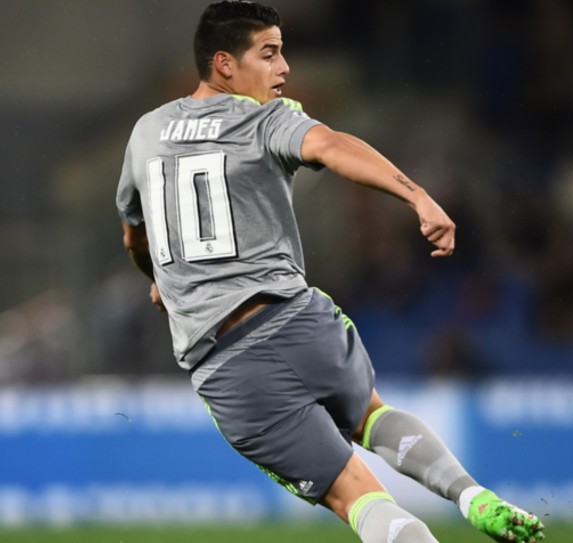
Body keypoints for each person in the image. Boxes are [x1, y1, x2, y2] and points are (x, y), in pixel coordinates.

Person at [115, 3, 545, 543]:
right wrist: (417, 196)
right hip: (298, 321)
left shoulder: (146, 133)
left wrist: (159, 279)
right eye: (269, 54)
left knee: (359, 498)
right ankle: (471, 495)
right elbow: (332, 145)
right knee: (372, 416)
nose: (284, 67)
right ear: (224, 64)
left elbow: (135, 237)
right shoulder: (265, 119)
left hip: (228, 363)